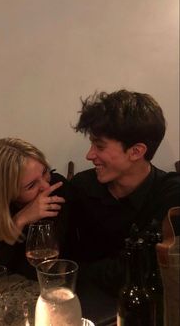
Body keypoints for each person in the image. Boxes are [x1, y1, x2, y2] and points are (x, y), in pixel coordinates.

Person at [67, 89, 180, 295]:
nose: (89, 155)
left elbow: (139, 270)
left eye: (99, 146)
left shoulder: (171, 194)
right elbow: (55, 257)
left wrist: (73, 273)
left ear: (136, 151)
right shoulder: (81, 187)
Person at [0, 138, 67, 277]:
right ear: (7, 193)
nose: (46, 186)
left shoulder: (59, 190)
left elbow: (51, 265)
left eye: (44, 172)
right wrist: (20, 220)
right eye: (31, 185)